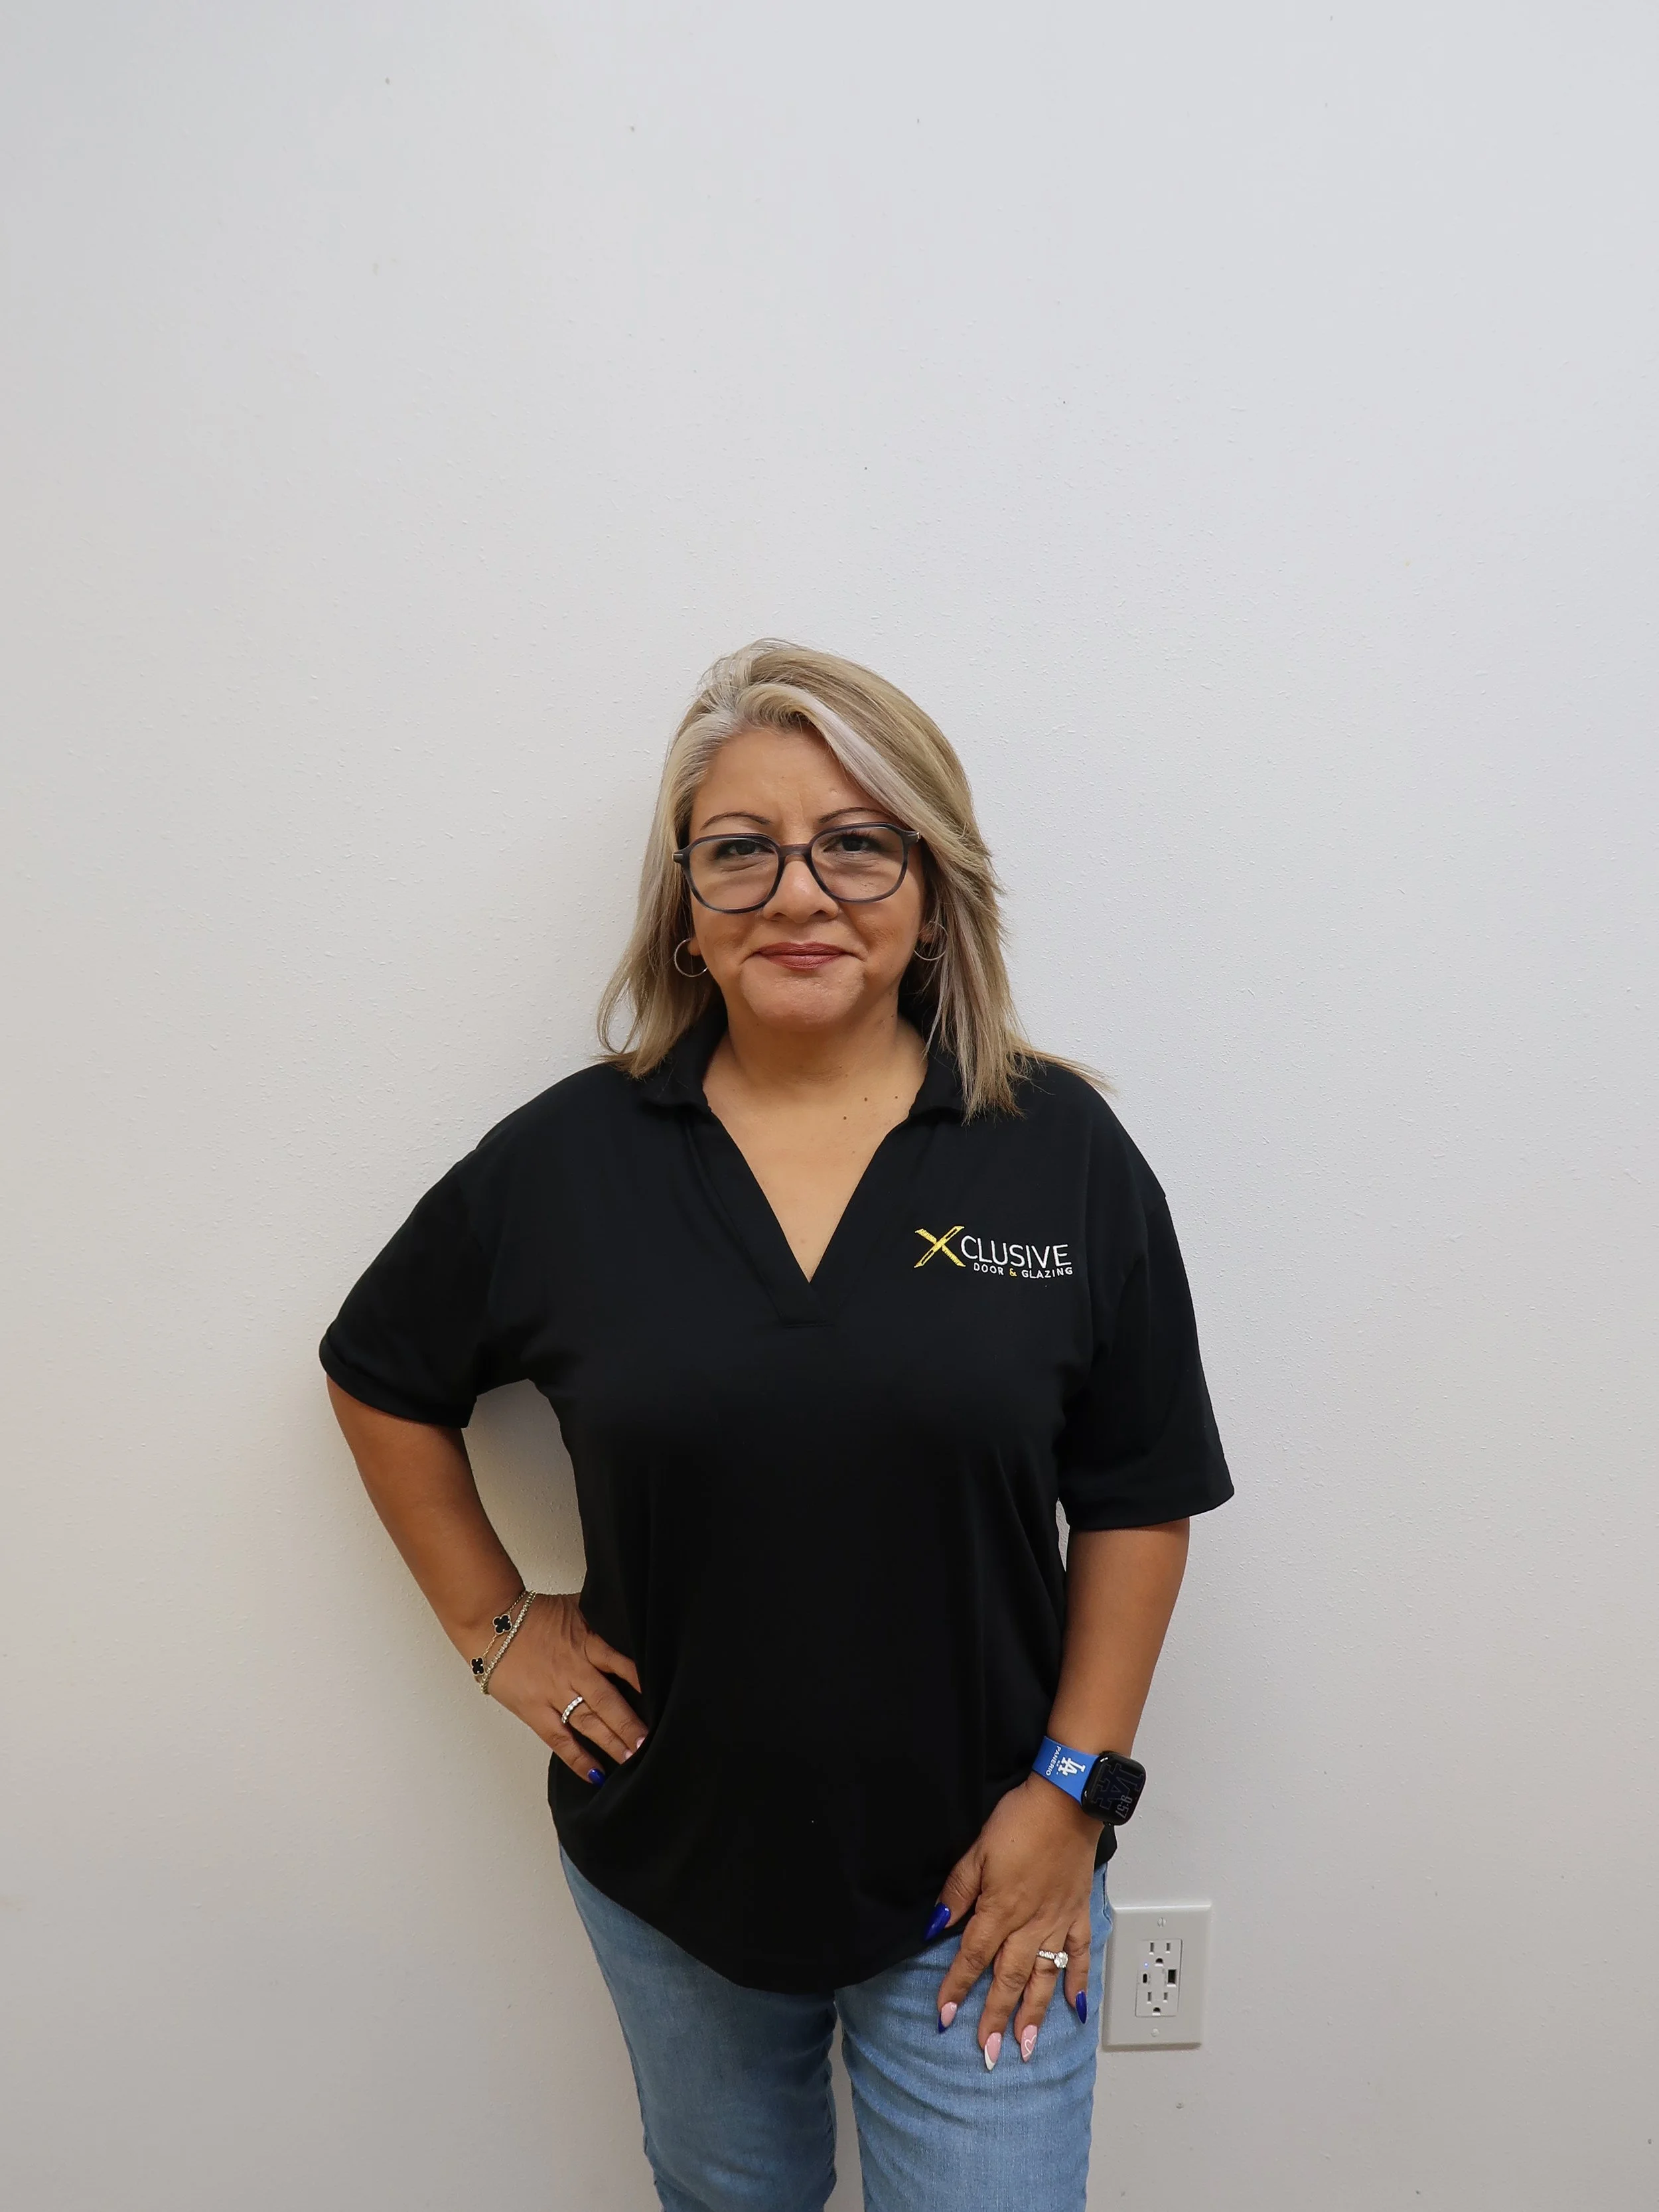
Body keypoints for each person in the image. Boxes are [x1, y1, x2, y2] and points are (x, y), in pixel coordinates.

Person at [321, 640, 1233, 2212]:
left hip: (987, 1870)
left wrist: (1070, 1795)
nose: (797, 891)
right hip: (672, 1869)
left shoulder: (1057, 1152)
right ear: (685, 906)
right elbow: (376, 1370)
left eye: (856, 843)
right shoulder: (568, 1164)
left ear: (931, 894)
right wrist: (495, 1630)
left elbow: (1137, 1494)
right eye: (740, 849)